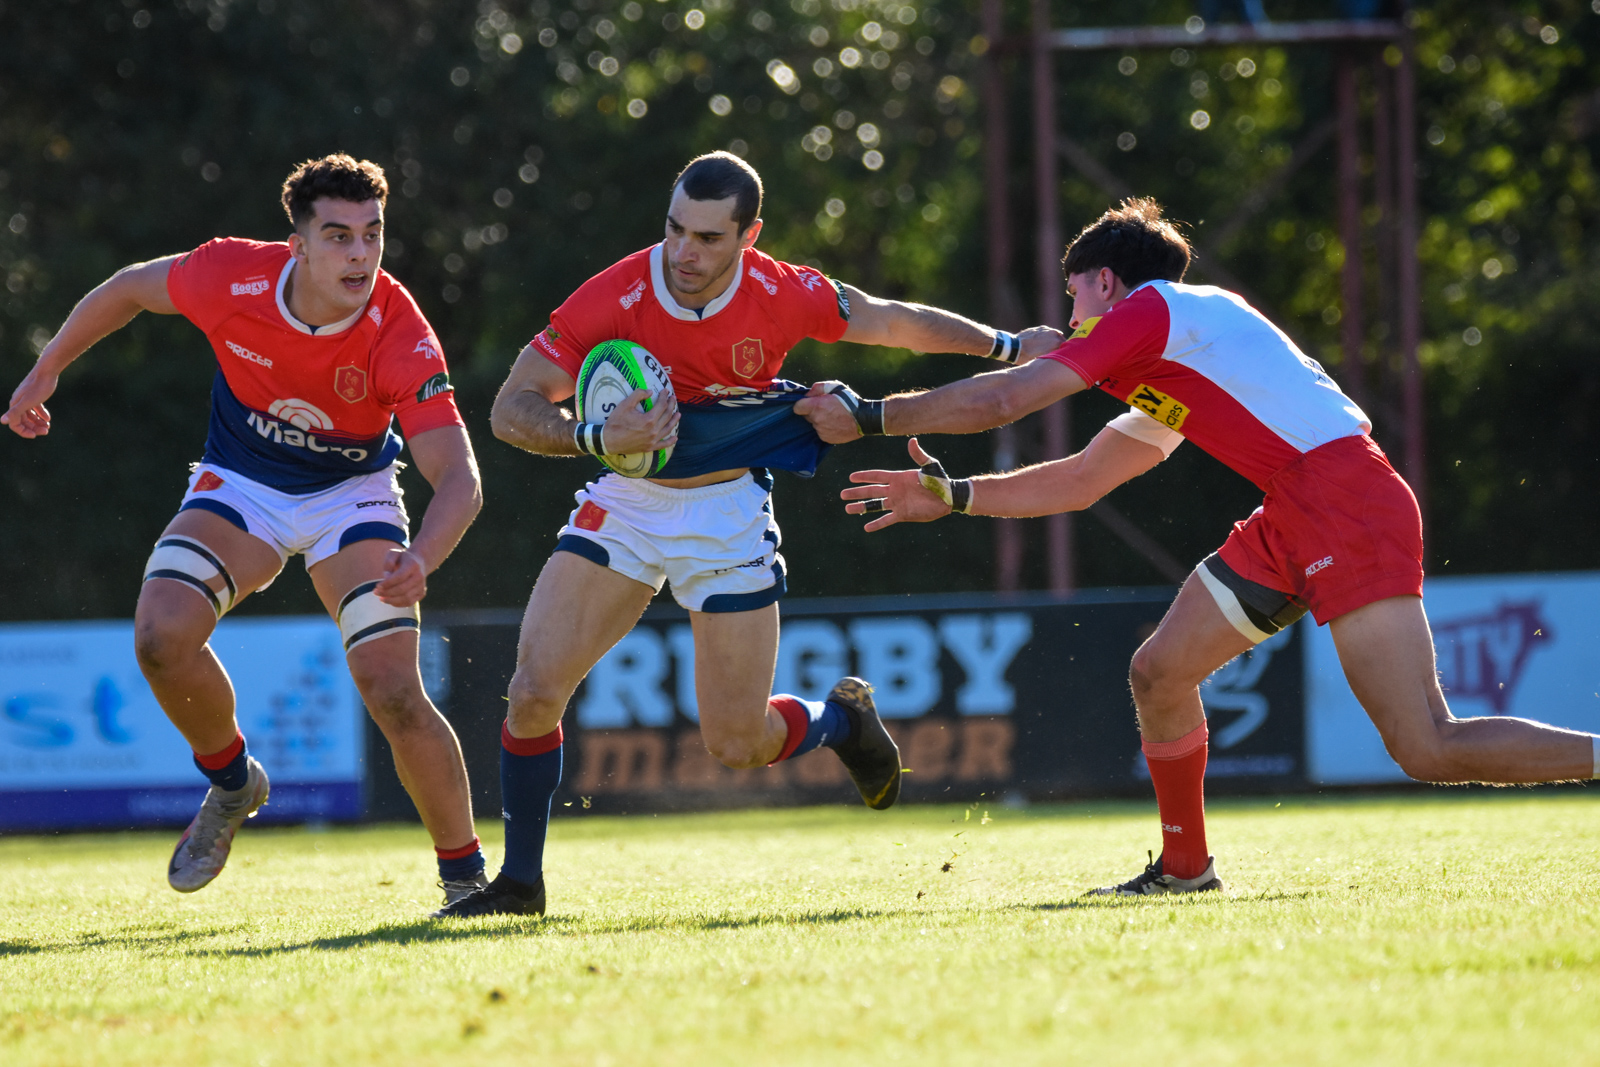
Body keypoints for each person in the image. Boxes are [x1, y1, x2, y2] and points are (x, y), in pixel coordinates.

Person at [800, 197, 1600, 895]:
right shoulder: (1171, 348)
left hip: (1346, 502)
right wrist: (960, 497)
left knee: (1426, 745)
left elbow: (1009, 397)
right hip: (1298, 507)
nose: (1067, 306)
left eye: (1072, 288)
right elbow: (1084, 478)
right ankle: (1187, 869)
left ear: (1105, 281)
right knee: (1159, 670)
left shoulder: (1156, 313)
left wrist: (870, 415)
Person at [436, 151, 1063, 918]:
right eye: (674, 230)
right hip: (627, 502)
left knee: (736, 742)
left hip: (727, 516)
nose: (683, 253)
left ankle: (841, 722)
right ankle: (520, 884)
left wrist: (1006, 346)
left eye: (706, 237)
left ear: (749, 236)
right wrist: (597, 433)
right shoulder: (619, 291)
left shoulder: (782, 292)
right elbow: (510, 408)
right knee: (533, 691)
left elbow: (893, 320)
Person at [3, 154, 490, 908]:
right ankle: (233, 783)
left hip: (350, 496)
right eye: (337, 235)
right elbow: (130, 288)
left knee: (391, 686)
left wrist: (422, 554)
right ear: (295, 244)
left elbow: (459, 476)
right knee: (160, 636)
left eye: (372, 234)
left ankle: (466, 880)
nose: (360, 254)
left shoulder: (401, 332)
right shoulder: (230, 276)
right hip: (243, 485)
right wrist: (47, 369)